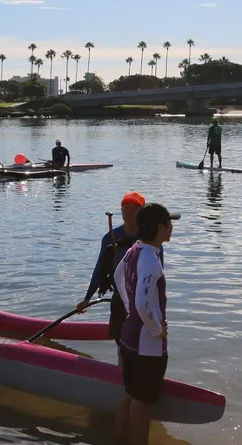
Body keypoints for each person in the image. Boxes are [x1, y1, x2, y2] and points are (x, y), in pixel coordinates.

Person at [76, 191, 165, 366]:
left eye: (135, 208)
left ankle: (141, 380)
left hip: (144, 299)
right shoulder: (110, 238)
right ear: (121, 211)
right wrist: (87, 298)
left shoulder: (152, 240)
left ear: (142, 213)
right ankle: (122, 375)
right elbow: (99, 269)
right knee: (120, 341)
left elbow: (159, 278)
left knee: (142, 343)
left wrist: (159, 312)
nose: (130, 212)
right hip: (120, 297)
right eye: (126, 208)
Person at [113, 202, 176, 445]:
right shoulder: (150, 259)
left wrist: (131, 312)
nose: (172, 228)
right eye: (169, 224)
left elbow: (119, 277)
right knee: (141, 404)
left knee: (130, 395)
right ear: (160, 228)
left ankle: (117, 438)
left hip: (129, 337)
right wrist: (157, 329)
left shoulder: (134, 250)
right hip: (146, 346)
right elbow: (142, 302)